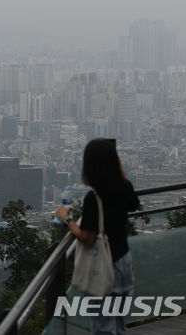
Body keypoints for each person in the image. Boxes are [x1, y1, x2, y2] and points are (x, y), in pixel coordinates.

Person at [55, 138, 140, 335]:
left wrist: (66, 219)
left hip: (103, 266)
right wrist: (117, 167)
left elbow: (87, 237)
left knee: (103, 327)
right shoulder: (125, 187)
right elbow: (133, 204)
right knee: (119, 323)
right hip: (124, 261)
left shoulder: (94, 198)